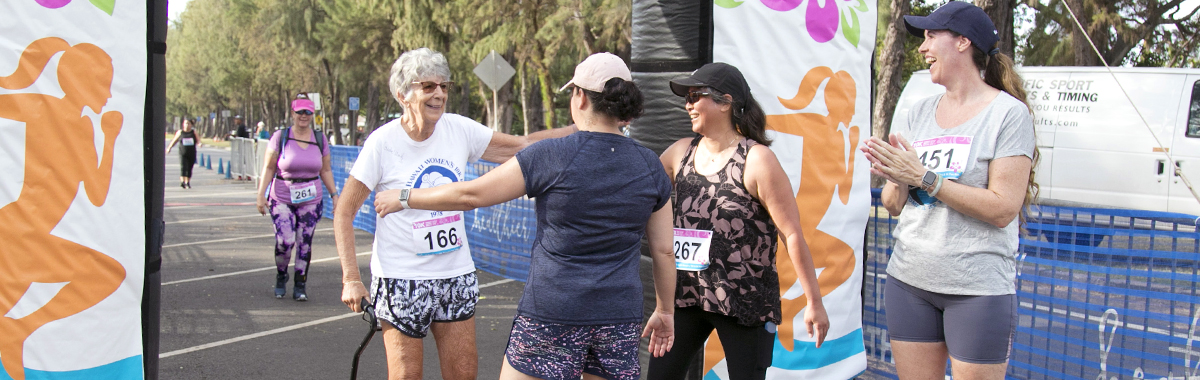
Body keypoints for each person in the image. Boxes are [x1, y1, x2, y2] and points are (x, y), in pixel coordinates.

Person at [372, 52, 676, 380]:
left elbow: (470, 194)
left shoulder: (550, 156)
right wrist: (665, 310)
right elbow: (663, 251)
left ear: (581, 98)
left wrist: (405, 196)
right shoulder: (650, 165)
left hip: (552, 313)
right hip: (619, 317)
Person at [333, 47, 580, 380]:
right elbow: (344, 212)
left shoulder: (459, 129)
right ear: (403, 94)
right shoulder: (382, 143)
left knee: (463, 374)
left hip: (454, 275)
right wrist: (351, 278)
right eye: (428, 86)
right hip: (400, 277)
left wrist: (582, 128)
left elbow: (521, 146)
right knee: (406, 376)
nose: (439, 94)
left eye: (444, 86)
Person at [861, 2, 1037, 379]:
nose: (922, 48)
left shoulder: (1008, 114)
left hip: (977, 288)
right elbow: (893, 204)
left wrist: (926, 177)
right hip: (909, 281)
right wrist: (895, 174)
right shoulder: (917, 112)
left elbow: (1003, 208)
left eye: (930, 36)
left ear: (962, 41)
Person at [648, 62, 830, 380]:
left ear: (725, 102)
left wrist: (814, 301)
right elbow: (639, 192)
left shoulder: (757, 159)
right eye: (686, 96)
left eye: (695, 95)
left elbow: (792, 234)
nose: (687, 104)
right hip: (688, 295)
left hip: (745, 302)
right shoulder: (679, 153)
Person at [0, 37, 126, 380]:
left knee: (106, 274)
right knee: (104, 274)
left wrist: (109, 138)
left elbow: (97, 194)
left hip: (33, 235)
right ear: (83, 80)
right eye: (105, 84)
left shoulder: (84, 127)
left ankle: (19, 330)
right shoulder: (43, 106)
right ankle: (17, 330)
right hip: (17, 230)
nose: (110, 94)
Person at [255, 95, 339, 301]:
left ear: (312, 114)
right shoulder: (280, 137)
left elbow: (326, 169)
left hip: (311, 197)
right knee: (285, 240)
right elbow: (268, 167)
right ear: (292, 113)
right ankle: (282, 274)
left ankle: (300, 284)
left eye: (308, 112)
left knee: (305, 242)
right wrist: (260, 195)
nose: (304, 116)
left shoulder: (319, 139)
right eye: (300, 111)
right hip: (282, 195)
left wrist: (335, 195)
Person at [167, 118, 203, 188]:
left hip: (191, 153)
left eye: (188, 123)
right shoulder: (180, 132)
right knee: (183, 167)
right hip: (182, 153)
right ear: (183, 124)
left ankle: (187, 182)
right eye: (185, 123)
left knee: (189, 168)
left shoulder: (194, 132)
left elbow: (198, 140)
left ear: (191, 125)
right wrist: (169, 148)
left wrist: (199, 144)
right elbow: (174, 141)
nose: (186, 125)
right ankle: (182, 181)